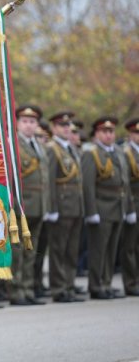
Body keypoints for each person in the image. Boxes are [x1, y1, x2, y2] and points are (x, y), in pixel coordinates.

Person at [82, 117, 131, 299]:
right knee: (99, 250)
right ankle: (96, 286)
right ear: (97, 134)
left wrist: (129, 208)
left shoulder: (118, 152)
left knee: (112, 250)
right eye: (104, 131)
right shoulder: (91, 154)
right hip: (101, 207)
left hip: (118, 205)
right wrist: (91, 211)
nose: (109, 135)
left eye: (111, 131)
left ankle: (107, 283)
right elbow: (88, 185)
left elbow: (124, 183)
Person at [9, 105, 49, 306]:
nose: (29, 125)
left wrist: (47, 205)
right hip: (21, 206)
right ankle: (16, 291)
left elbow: (45, 179)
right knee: (18, 252)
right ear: (17, 123)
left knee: (31, 251)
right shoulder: (13, 144)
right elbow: (9, 177)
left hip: (39, 206)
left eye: (33, 122)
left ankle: (27, 288)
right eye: (25, 121)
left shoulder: (39, 146)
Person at [44, 111, 85, 302]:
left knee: (71, 250)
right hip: (61, 206)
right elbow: (49, 181)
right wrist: (51, 208)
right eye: (62, 126)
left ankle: (69, 285)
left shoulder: (72, 148)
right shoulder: (52, 149)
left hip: (75, 206)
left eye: (68, 126)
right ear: (53, 128)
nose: (67, 129)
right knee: (59, 250)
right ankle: (59, 288)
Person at [121, 118, 139, 296]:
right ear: (130, 134)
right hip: (133, 202)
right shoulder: (126, 153)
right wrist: (129, 208)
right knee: (130, 246)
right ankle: (131, 282)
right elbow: (125, 183)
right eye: (136, 133)